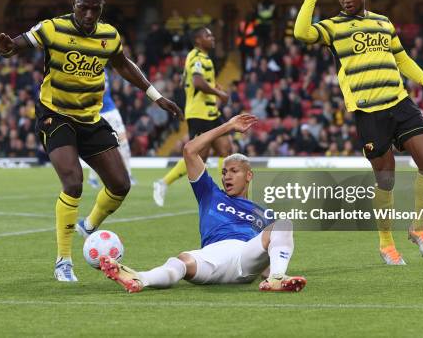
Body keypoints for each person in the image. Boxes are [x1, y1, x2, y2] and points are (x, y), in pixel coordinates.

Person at [0, 0, 183, 282]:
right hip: (55, 115)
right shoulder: (51, 28)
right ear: (74, 3)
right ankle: (63, 260)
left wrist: (156, 96)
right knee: (73, 182)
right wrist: (6, 49)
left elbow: (123, 65)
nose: (90, 13)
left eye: (96, 8)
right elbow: (16, 45)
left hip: (90, 118)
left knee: (120, 185)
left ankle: (88, 225)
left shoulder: (109, 35)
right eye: (85, 7)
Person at [294, 0, 423, 265]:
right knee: (386, 181)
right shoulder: (333, 27)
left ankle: (418, 228)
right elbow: (301, 33)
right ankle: (386, 243)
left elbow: (401, 57)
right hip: (368, 112)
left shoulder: (384, 22)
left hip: (399, 102)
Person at [100, 114, 306, 293]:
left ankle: (278, 278)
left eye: (234, 171)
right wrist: (228, 127)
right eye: (225, 172)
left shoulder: (264, 213)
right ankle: (139, 279)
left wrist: (269, 271)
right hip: (212, 257)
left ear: (249, 175)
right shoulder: (210, 193)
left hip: (244, 256)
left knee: (283, 223)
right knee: (180, 262)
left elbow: (266, 256)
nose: (227, 177)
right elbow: (190, 150)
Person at [153, 27, 231, 207]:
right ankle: (163, 182)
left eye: (211, 34)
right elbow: (197, 82)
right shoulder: (197, 57)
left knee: (224, 149)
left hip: (208, 112)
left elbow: (187, 81)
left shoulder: (197, 56)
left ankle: (227, 195)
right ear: (197, 40)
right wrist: (219, 94)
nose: (212, 37)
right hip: (200, 113)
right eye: (207, 35)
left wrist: (213, 86)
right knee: (200, 156)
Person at [87, 67, 136, 188]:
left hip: (110, 111)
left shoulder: (99, 68)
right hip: (96, 113)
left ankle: (128, 175)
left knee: (123, 144)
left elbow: (101, 91)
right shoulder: (85, 67)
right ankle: (92, 178)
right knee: (97, 147)